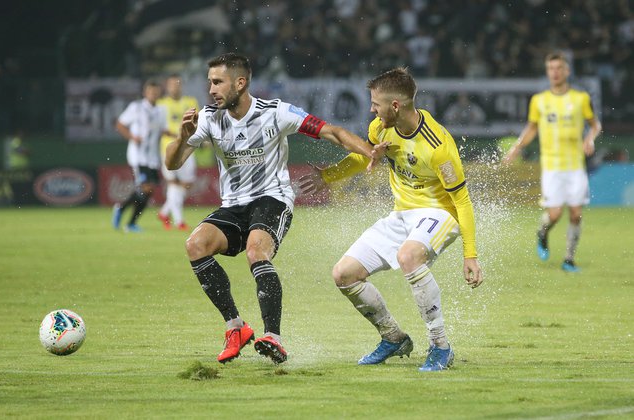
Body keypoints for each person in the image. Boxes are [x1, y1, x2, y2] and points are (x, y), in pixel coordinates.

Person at [166, 53, 376, 364]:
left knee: (255, 251)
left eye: (217, 82)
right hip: (234, 205)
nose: (211, 89)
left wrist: (370, 152)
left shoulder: (276, 112)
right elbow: (172, 163)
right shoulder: (209, 119)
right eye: (209, 82)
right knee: (195, 245)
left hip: (272, 199)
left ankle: (273, 337)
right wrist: (183, 139)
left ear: (240, 82)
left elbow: (332, 132)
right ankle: (235, 327)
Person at [298, 67, 483, 371]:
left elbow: (462, 200)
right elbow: (364, 157)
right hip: (401, 215)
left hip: (440, 213)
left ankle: (440, 346)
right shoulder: (380, 128)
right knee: (344, 274)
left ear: (395, 105)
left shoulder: (438, 147)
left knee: (408, 256)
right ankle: (393, 337)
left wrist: (470, 255)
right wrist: (329, 177)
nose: (371, 109)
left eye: (375, 104)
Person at [503, 52, 601, 272]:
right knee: (555, 214)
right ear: (547, 72)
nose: (555, 72)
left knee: (576, 213)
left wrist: (590, 138)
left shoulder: (580, 98)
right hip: (552, 167)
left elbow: (595, 124)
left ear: (567, 71)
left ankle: (569, 259)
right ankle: (543, 232)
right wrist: (516, 148)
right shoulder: (539, 101)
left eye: (559, 68)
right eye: (551, 69)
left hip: (575, 165)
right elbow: (532, 128)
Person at [113, 79, 169, 232]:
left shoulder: (161, 110)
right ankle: (128, 219)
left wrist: (177, 135)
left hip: (153, 158)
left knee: (148, 191)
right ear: (145, 93)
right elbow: (120, 124)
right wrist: (133, 137)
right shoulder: (136, 107)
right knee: (146, 188)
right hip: (138, 156)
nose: (154, 94)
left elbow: (161, 130)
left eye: (156, 92)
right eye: (151, 92)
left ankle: (124, 212)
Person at [157, 75, 200, 231]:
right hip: (168, 149)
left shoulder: (191, 102)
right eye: (172, 84)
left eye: (177, 84)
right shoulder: (161, 104)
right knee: (173, 183)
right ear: (167, 86)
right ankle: (179, 220)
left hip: (188, 148)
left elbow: (199, 121)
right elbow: (157, 127)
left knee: (186, 184)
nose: (175, 87)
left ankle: (164, 212)